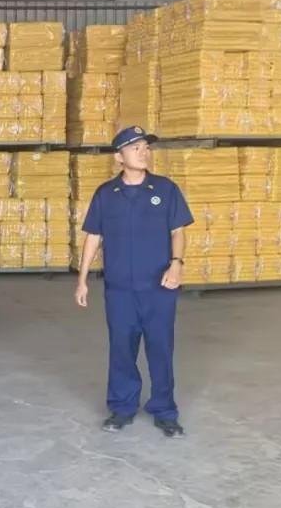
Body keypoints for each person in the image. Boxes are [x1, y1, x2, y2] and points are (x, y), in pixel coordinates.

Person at [75, 125, 193, 438]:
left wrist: (177, 264)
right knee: (121, 349)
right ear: (119, 157)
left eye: (146, 147)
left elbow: (178, 231)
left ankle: (164, 410)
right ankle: (122, 407)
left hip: (158, 288)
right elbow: (93, 237)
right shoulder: (106, 194)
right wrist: (82, 280)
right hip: (120, 291)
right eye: (135, 148)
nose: (143, 153)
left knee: (160, 348)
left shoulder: (165, 190)